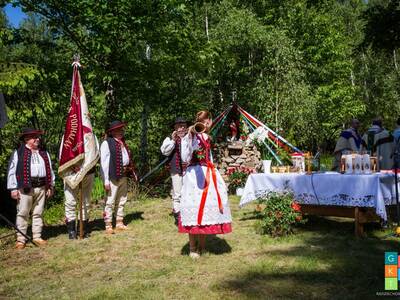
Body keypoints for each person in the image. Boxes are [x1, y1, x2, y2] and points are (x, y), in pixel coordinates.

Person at [179, 110, 232, 259]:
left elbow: (210, 157)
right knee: (194, 209)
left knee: (206, 208)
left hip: (208, 173)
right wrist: (189, 137)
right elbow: (185, 157)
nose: (206, 123)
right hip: (193, 176)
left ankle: (202, 245)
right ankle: (192, 248)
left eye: (208, 120)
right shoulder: (189, 137)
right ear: (199, 122)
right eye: (203, 121)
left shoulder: (207, 137)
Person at [7, 128, 55, 249]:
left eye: (38, 137)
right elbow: (12, 171)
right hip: (25, 187)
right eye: (35, 137)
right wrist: (13, 188)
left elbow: (50, 170)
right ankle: (21, 239)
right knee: (23, 213)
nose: (38, 139)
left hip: (42, 186)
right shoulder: (18, 153)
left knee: (38, 212)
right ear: (27, 139)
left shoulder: (44, 152)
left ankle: (37, 236)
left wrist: (51, 185)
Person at [100, 120, 137, 234]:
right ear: (112, 132)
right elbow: (104, 163)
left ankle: (120, 222)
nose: (121, 131)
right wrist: (105, 180)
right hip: (113, 177)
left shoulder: (122, 142)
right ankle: (108, 224)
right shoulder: (107, 143)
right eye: (118, 129)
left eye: (121, 129)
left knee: (122, 199)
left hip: (123, 175)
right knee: (110, 201)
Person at [160, 117, 188, 224]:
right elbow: (164, 152)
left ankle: (187, 213)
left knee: (188, 192)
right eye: (179, 126)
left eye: (183, 126)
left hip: (189, 170)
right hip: (176, 169)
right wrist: (173, 140)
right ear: (174, 128)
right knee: (177, 193)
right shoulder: (169, 139)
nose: (181, 128)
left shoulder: (189, 138)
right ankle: (178, 216)